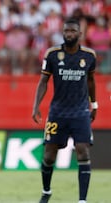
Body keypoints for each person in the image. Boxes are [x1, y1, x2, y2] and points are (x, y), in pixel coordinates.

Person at [32, 18, 97, 203]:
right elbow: (43, 81)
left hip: (80, 112)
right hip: (57, 112)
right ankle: (46, 191)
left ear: (79, 34)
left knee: (83, 150)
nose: (69, 34)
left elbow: (91, 81)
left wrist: (95, 104)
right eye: (66, 31)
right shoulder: (52, 54)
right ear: (63, 32)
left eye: (73, 31)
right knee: (49, 155)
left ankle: (82, 200)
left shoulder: (89, 55)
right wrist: (36, 106)